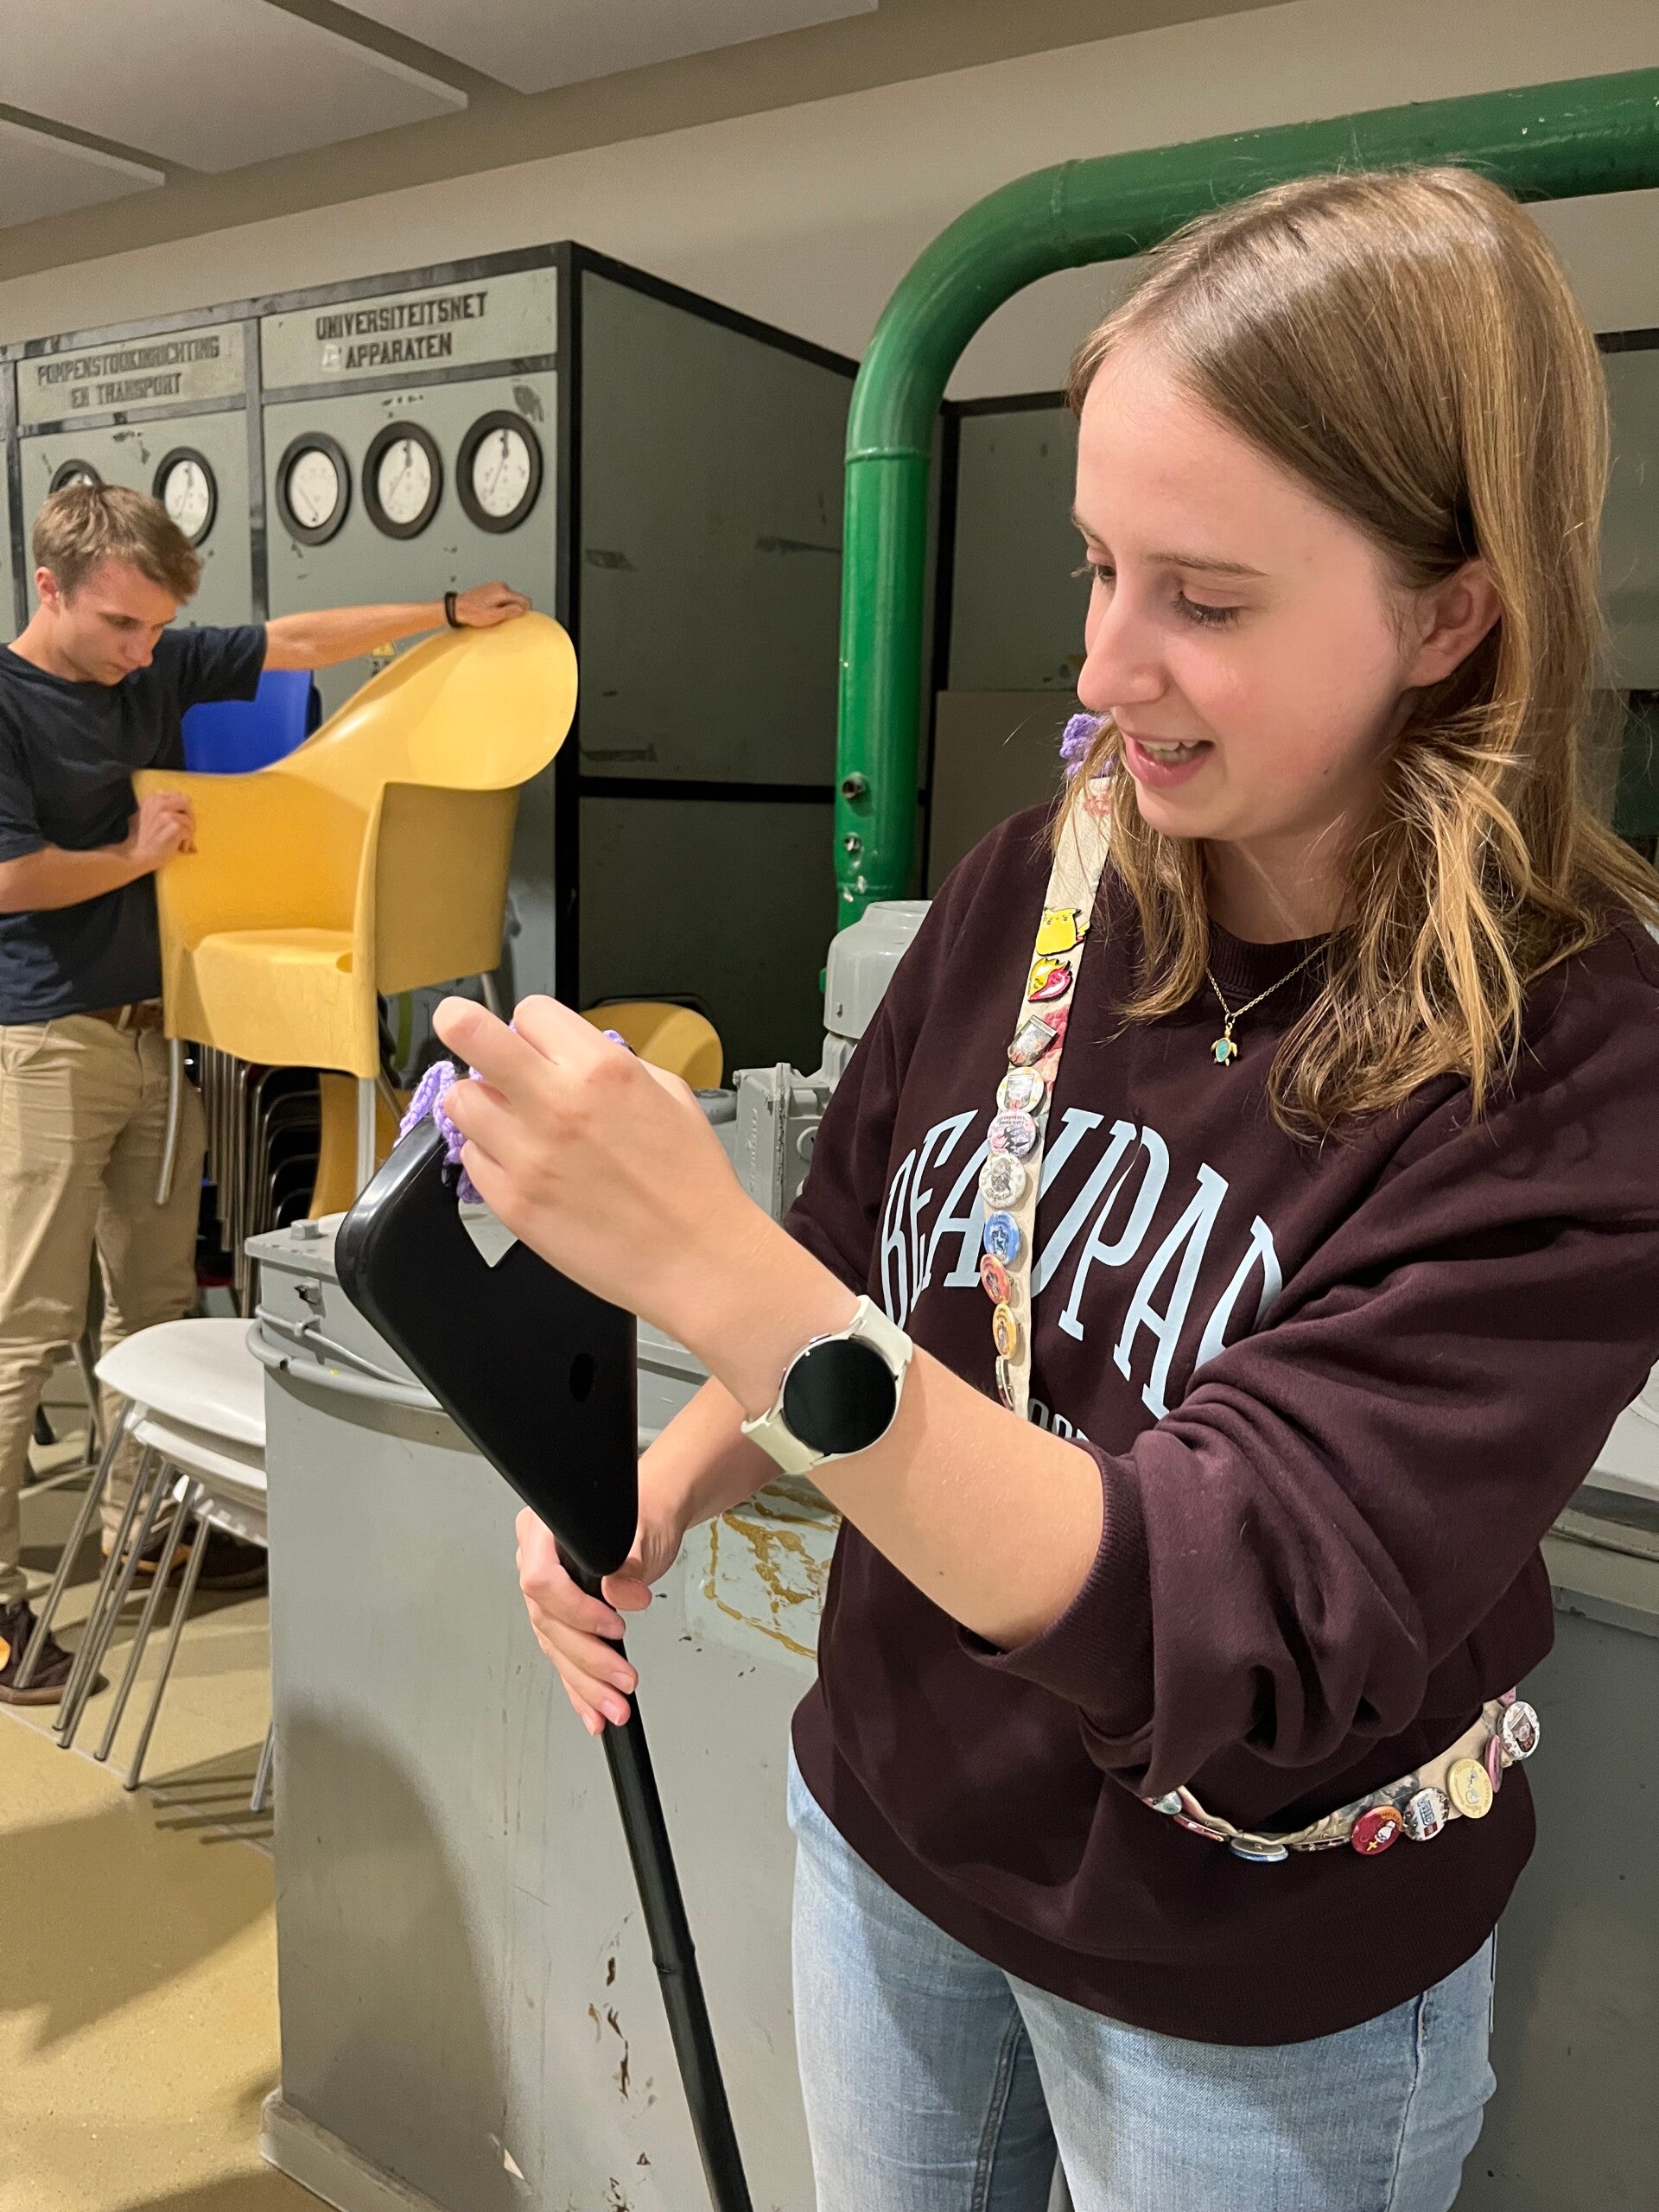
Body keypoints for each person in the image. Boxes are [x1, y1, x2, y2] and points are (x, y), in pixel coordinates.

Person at [437, 168, 1659, 2210]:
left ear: (1451, 612)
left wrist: (709, 1266)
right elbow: (861, 1260)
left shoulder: (1570, 1059)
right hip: (896, 1842)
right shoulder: (1038, 880)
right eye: (1097, 565)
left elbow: (1219, 1604)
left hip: (1246, 1983)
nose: (1106, 667)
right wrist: (658, 1483)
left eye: (1208, 599)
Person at [0, 480, 530, 1704]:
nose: (143, 654)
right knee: (27, 1322)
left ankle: (146, 1532)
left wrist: (445, 611)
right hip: (47, 1043)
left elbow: (293, 642)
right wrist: (129, 857)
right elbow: (9, 877)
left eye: (156, 630)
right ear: (48, 588)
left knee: (150, 1301)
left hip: (154, 1035)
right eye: (121, 626)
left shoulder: (147, 665)